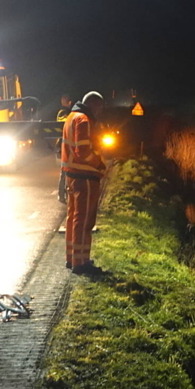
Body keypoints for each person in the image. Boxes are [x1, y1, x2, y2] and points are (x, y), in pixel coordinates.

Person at [60, 91, 107, 274]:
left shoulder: (72, 116)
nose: (100, 112)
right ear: (94, 105)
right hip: (85, 176)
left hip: (73, 175)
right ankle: (81, 263)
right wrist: (99, 164)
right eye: (99, 108)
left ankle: (72, 258)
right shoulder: (84, 120)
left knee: (74, 218)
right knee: (84, 220)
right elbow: (83, 151)